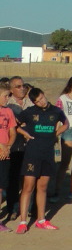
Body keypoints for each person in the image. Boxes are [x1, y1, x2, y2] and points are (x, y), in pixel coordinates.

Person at [14, 87, 67, 233]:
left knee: (42, 187)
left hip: (48, 154)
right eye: (37, 101)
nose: (41, 102)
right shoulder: (29, 112)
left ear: (44, 95)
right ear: (33, 102)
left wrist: (56, 133)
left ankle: (41, 220)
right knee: (28, 187)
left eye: (42, 98)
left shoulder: (56, 111)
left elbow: (66, 123)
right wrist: (25, 133)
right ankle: (23, 222)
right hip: (32, 153)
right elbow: (15, 124)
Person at [5, 76, 30, 218]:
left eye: (23, 85)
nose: (22, 89)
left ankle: (28, 208)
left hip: (30, 146)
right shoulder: (7, 104)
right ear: (11, 89)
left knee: (28, 178)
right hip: (14, 147)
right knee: (13, 179)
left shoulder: (31, 102)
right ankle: (13, 209)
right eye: (18, 86)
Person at [0, 80, 16, 232]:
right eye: (5, 96)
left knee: (0, 187)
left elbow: (12, 131)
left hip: (5, 155)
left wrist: (8, 147)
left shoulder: (9, 112)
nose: (7, 98)